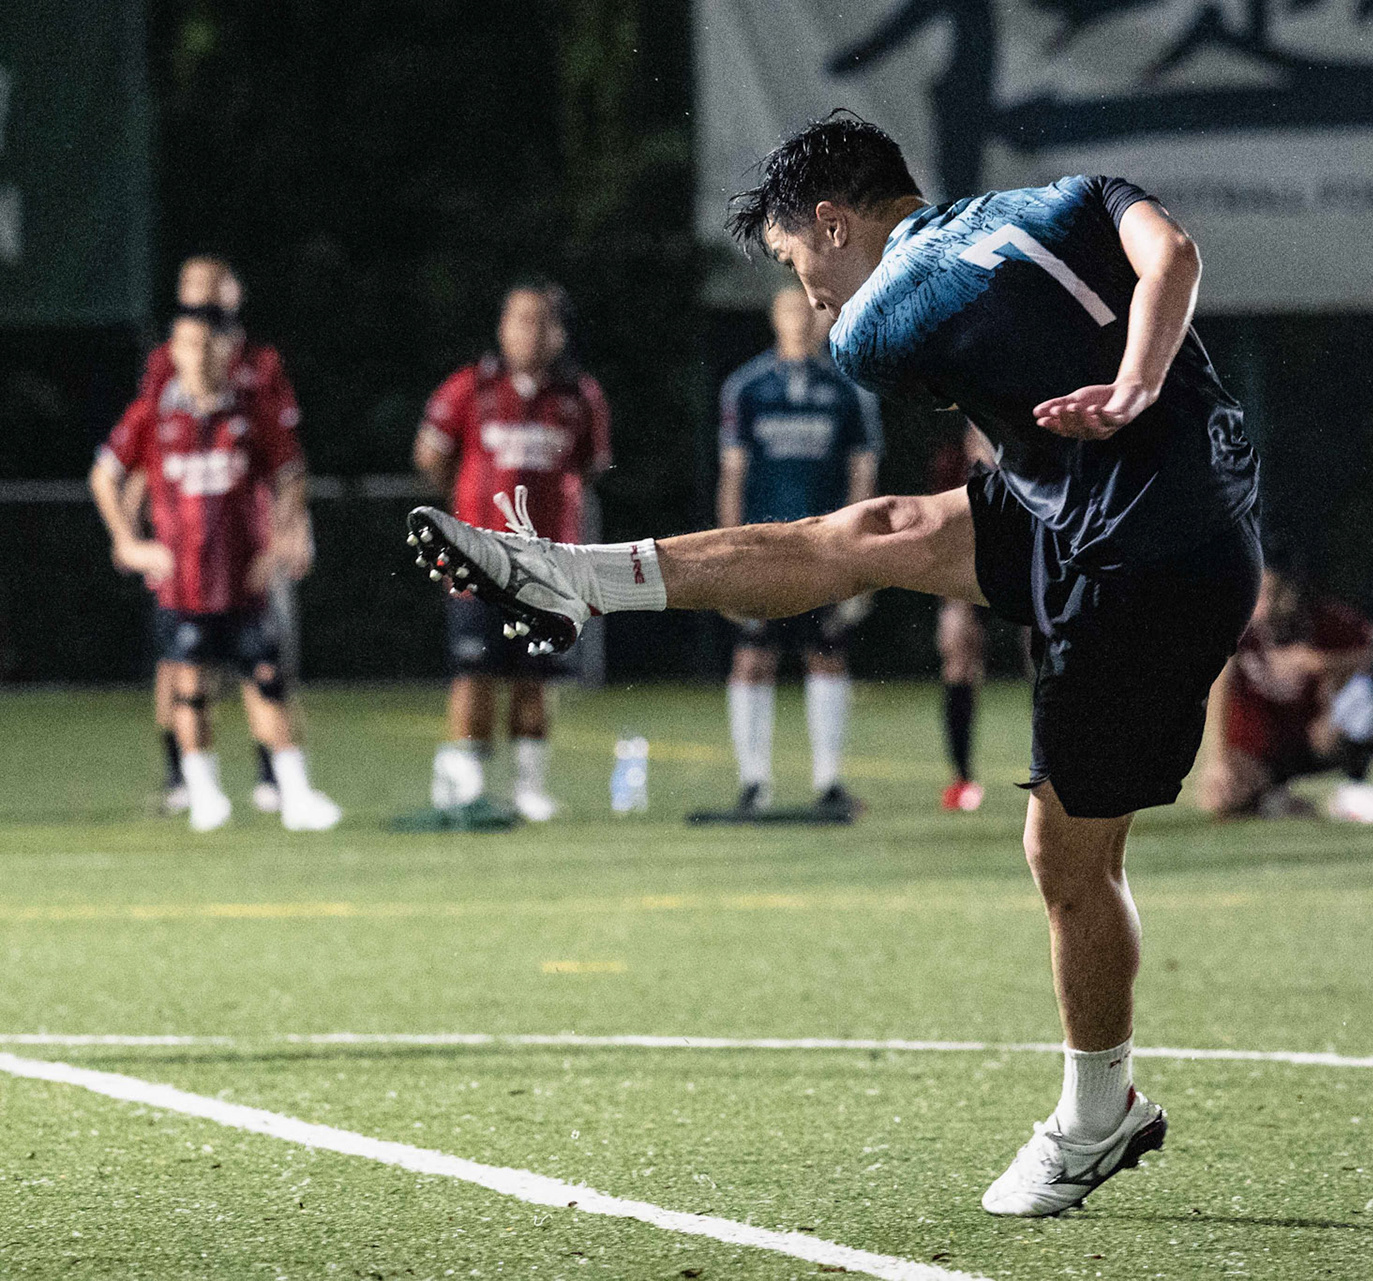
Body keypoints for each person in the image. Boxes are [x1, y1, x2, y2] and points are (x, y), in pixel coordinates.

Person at [405, 113, 1260, 1216]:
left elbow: (938, 318)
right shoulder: (1069, 194)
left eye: (797, 261)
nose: (811, 296)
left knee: (1068, 856)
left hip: (1147, 560)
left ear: (834, 221)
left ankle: (1098, 1118)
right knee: (872, 533)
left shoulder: (877, 327)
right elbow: (1173, 258)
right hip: (1121, 501)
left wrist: (1113, 398)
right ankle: (578, 576)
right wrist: (1140, 378)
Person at [90, 307, 339, 832]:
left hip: (243, 579)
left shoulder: (252, 409)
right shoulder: (153, 414)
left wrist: (279, 542)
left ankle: (294, 794)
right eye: (187, 345)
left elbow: (292, 475)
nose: (199, 355)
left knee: (268, 682)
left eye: (208, 344)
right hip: (183, 584)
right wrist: (129, 544)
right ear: (172, 353)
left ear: (227, 350)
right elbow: (104, 476)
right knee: (189, 687)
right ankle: (204, 793)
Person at [412, 279, 611, 822]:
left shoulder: (579, 395)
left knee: (536, 675)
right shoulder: (470, 387)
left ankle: (529, 787)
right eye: (521, 319)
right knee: (473, 672)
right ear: (502, 327)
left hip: (549, 561)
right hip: (477, 557)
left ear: (559, 332)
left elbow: (591, 466)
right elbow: (431, 456)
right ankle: (467, 787)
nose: (531, 330)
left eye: (543, 320)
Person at [134, 256, 305, 816]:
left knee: (266, 655)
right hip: (185, 532)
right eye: (192, 285)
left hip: (248, 528)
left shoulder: (261, 363)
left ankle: (272, 775)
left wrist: (293, 530)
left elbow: (285, 460)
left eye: (214, 286)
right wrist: (134, 533)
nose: (203, 295)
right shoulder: (167, 361)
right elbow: (145, 450)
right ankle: (181, 775)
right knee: (180, 660)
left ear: (236, 291)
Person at [716, 285, 883, 819]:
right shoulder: (747, 388)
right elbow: (733, 473)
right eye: (789, 310)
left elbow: (863, 472)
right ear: (772, 318)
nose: (800, 321)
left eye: (809, 311)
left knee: (827, 654)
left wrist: (858, 550)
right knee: (752, 657)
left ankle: (829, 781)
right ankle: (753, 784)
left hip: (824, 549)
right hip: (763, 546)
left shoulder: (847, 390)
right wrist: (726, 551)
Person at [1197, 567, 1373, 823]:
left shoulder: (1320, 618)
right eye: (1258, 595)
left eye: (1273, 594)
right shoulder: (1237, 626)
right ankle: (1277, 797)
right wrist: (1217, 761)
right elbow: (1217, 685)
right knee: (1220, 799)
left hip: (1316, 735)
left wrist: (1318, 663)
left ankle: (1354, 782)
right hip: (1263, 744)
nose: (1265, 605)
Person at [930, 417, 999, 811]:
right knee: (958, 651)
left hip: (1031, 560)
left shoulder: (1034, 444)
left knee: (1047, 656)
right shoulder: (952, 459)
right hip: (969, 562)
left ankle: (1054, 772)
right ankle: (962, 778)